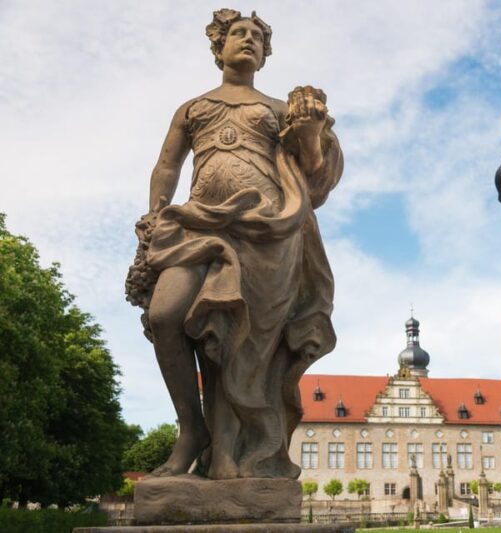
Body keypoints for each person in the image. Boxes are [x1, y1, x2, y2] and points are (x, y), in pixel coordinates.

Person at [125, 9, 343, 480]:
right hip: (197, 224)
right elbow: (167, 166)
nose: (248, 40)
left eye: (257, 37)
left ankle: (225, 453)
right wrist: (155, 215)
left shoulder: (280, 109)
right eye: (238, 34)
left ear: (265, 55)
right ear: (218, 46)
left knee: (237, 343)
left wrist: (311, 135)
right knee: (167, 315)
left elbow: (313, 175)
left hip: (266, 233)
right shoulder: (192, 108)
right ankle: (191, 429)